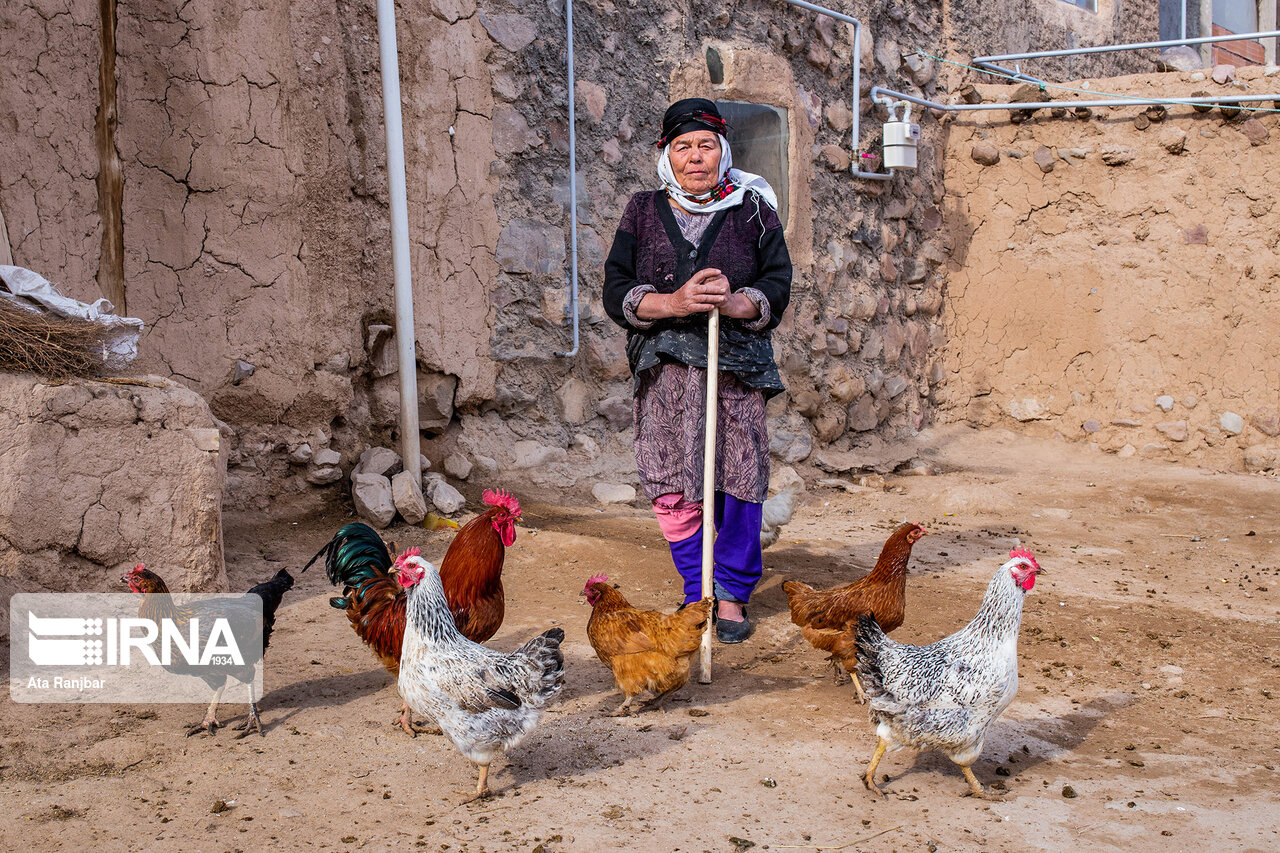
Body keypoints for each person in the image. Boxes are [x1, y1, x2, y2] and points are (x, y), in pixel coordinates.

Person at [602, 97, 792, 643]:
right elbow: (616, 291)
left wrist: (738, 304)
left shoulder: (754, 208)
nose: (695, 156)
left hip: (735, 368)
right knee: (671, 483)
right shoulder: (642, 209)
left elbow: (779, 281)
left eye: (706, 145)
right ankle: (696, 589)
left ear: (723, 151)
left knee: (737, 481)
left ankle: (730, 594)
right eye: (683, 146)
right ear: (667, 154)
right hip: (665, 371)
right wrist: (674, 302)